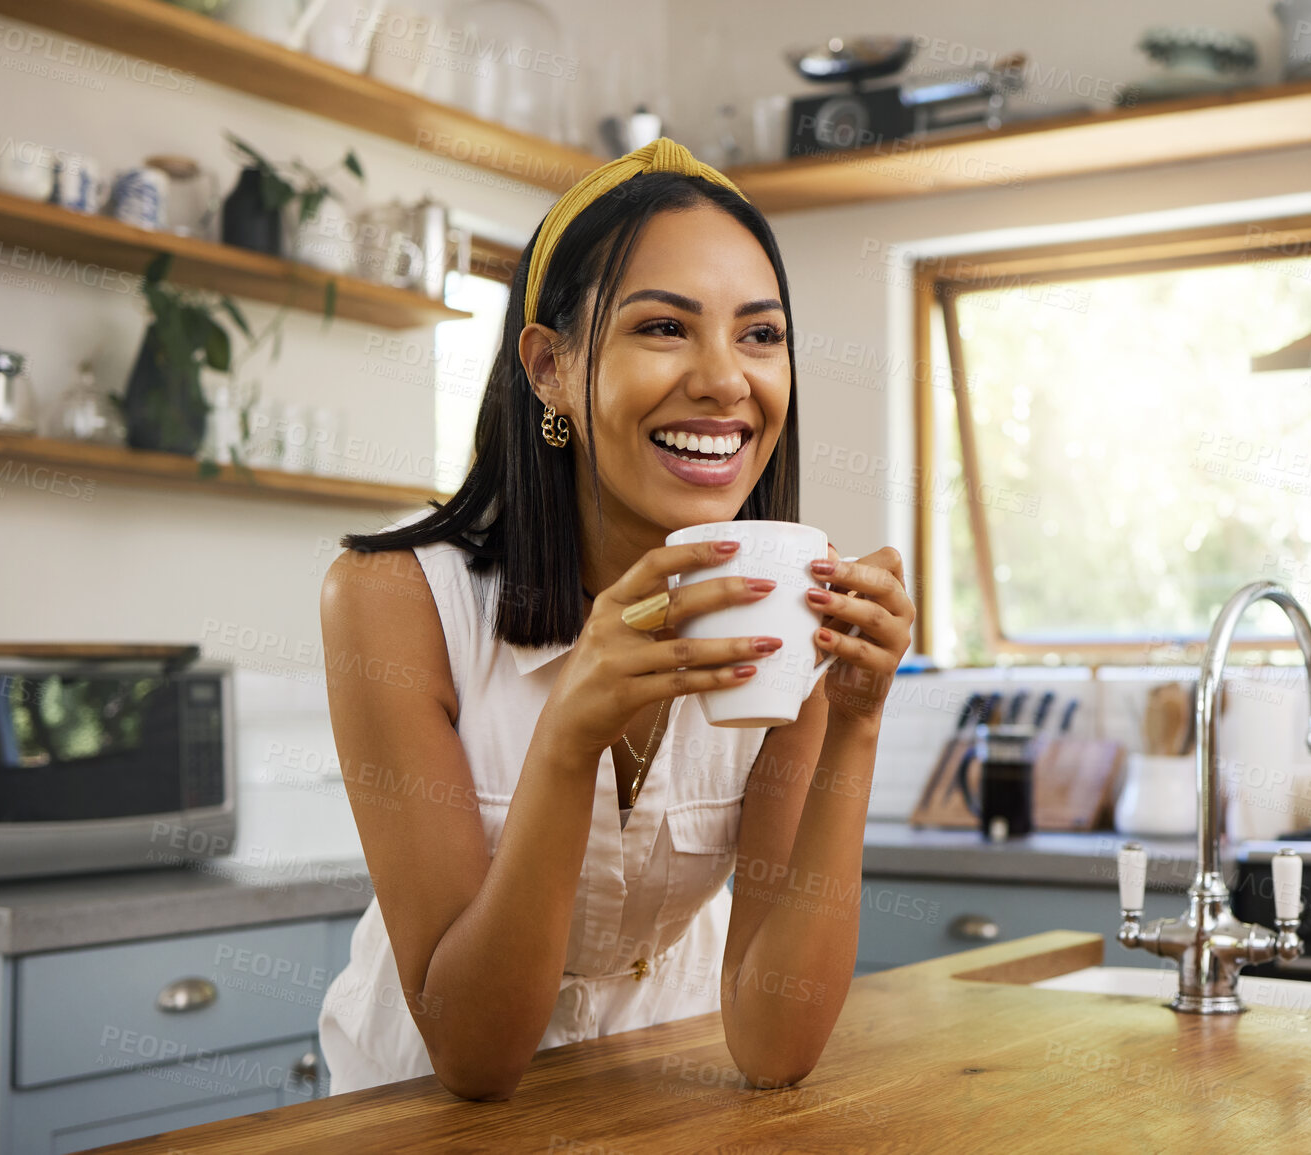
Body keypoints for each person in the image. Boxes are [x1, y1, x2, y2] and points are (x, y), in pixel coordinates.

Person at [314, 138, 914, 1101]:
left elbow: (773, 1042)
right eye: (666, 328)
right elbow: (474, 1056)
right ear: (550, 367)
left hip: (654, 1094)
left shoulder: (786, 609)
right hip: (414, 1112)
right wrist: (569, 737)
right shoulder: (391, 600)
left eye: (760, 336)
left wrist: (855, 716)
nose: (727, 380)